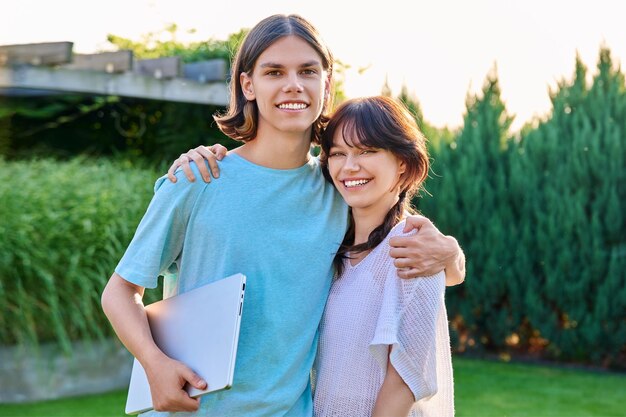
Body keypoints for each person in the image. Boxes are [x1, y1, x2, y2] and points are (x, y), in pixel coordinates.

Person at [101, 14, 464, 417]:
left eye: (307, 71)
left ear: (326, 84)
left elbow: (400, 251)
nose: (293, 85)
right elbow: (119, 292)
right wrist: (155, 363)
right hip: (192, 409)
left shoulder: (337, 188)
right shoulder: (197, 179)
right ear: (248, 84)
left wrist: (449, 253)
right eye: (274, 71)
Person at [312, 96, 454, 417]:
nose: (350, 166)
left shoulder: (413, 248)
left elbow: (403, 379)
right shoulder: (332, 252)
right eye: (338, 153)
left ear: (402, 162)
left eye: (367, 151)